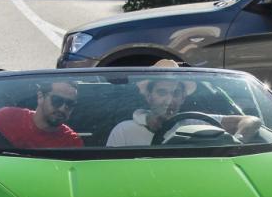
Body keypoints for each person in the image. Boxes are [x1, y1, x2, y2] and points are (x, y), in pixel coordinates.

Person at [106, 60, 260, 147]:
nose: (170, 100)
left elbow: (250, 120)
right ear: (149, 97)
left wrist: (238, 141)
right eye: (162, 93)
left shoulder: (197, 122)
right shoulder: (123, 130)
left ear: (183, 98)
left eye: (176, 93)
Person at [0, 81, 83, 148]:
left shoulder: (72, 142)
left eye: (70, 104)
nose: (63, 108)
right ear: (40, 97)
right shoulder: (7, 116)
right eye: (57, 100)